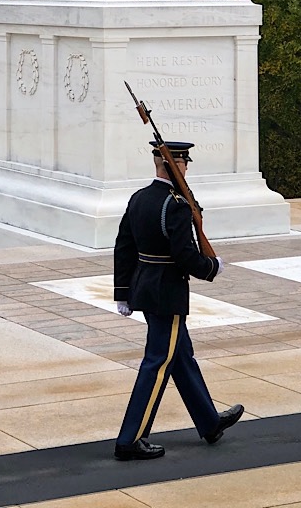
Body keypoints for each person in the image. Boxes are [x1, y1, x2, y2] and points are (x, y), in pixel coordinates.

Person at [112, 140, 243, 461]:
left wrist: (122, 293)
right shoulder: (176, 205)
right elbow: (184, 256)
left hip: (145, 288)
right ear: (177, 165)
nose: (186, 169)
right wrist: (211, 266)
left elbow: (124, 247)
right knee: (157, 363)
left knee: (181, 355)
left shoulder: (139, 198)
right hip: (167, 294)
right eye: (185, 164)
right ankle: (130, 438)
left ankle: (209, 422)